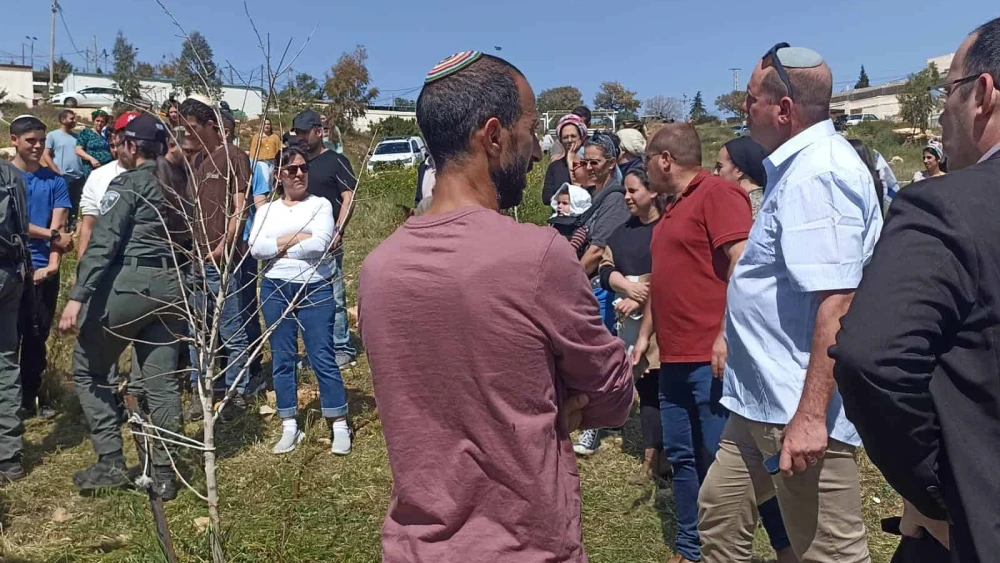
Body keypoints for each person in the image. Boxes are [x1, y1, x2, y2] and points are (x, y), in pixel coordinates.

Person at [358, 51, 633, 563]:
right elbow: (613, 394)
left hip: (417, 546)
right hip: (523, 544)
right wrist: (558, 405)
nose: (536, 152)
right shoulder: (537, 256)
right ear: (492, 135)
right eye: (530, 129)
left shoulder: (377, 270)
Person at [697, 44, 880, 563]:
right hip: (760, 399)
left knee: (828, 551)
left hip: (793, 405)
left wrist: (809, 417)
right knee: (722, 508)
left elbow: (837, 301)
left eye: (750, 98)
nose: (743, 109)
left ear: (783, 109)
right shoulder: (798, 168)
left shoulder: (819, 174)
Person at [831, 17, 1000, 563]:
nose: (943, 111)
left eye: (946, 90)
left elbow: (872, 360)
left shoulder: (947, 206)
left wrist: (939, 494)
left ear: (982, 94)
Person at [633, 123, 792, 563]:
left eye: (647, 159)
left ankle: (786, 545)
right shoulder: (671, 209)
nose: (644, 169)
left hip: (712, 358)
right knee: (683, 457)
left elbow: (744, 267)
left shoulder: (717, 195)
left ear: (665, 159)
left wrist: (726, 332)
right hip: (674, 359)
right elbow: (664, 280)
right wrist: (646, 334)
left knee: (735, 464)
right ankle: (691, 548)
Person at [57, 114, 190, 500]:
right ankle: (165, 473)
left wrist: (77, 297)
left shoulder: (128, 183)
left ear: (132, 146)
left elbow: (104, 242)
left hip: (129, 285)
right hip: (172, 288)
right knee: (161, 383)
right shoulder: (179, 185)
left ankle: (111, 462)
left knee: (89, 369)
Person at [250, 146, 350, 455]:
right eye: (292, 169)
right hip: (276, 289)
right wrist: (297, 238)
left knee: (322, 354)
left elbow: (320, 243)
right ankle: (289, 423)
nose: (299, 174)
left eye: (303, 168)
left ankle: (339, 422)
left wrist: (277, 246)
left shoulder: (320, 205)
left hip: (314, 287)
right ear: (279, 175)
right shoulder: (266, 210)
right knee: (282, 357)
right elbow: (255, 247)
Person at [178, 97, 253, 420]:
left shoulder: (234, 156)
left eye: (192, 127)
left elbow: (242, 205)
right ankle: (203, 389)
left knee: (231, 328)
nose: (186, 133)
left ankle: (238, 392)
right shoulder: (194, 161)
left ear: (211, 126)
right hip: (194, 257)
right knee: (199, 330)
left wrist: (225, 243)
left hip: (221, 260)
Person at [598, 168, 665, 480]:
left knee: (667, 391)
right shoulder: (623, 232)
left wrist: (642, 297)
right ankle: (653, 458)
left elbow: (671, 272)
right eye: (625, 191)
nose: (626, 197)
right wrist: (626, 287)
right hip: (631, 325)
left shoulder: (667, 229)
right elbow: (605, 266)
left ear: (652, 192)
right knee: (648, 389)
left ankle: (668, 456)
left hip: (664, 321)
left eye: (633, 191)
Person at [572, 130, 632, 456]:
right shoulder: (597, 195)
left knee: (598, 356)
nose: (589, 167)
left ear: (611, 162)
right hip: (593, 287)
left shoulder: (614, 199)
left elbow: (596, 251)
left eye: (595, 162)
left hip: (601, 289)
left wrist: (568, 279)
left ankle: (595, 426)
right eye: (585, 161)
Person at [9, 117, 73, 420]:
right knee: (9, 336)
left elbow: (59, 224)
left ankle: (29, 396)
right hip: (10, 268)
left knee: (37, 335)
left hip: (44, 268)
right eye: (30, 140)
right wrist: (50, 235)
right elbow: (16, 224)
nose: (37, 146)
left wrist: (50, 266)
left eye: (41, 141)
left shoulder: (55, 181)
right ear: (14, 140)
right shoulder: (5, 178)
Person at [292, 109, 358, 369]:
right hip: (300, 244)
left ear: (319, 132)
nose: (301, 138)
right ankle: (315, 350)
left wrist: (338, 231)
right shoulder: (298, 165)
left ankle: (341, 347)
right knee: (305, 298)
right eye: (297, 133)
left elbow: (348, 197)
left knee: (334, 296)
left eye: (305, 132)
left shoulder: (336, 161)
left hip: (328, 244)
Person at [0, 159, 30, 481]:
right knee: (6, 363)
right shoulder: (12, 175)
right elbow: (22, 226)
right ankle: (8, 459)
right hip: (10, 274)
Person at [78, 112, 137, 257]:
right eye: (123, 136)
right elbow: (88, 226)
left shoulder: (160, 173)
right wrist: (82, 269)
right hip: (106, 259)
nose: (129, 143)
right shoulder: (98, 176)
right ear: (114, 138)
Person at [42, 109, 85, 228]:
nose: (74, 121)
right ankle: (55, 229)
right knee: (60, 206)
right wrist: (56, 170)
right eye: (72, 118)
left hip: (78, 177)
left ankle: (71, 228)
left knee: (75, 204)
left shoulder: (77, 137)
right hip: (62, 176)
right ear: (63, 120)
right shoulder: (53, 135)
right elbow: (46, 154)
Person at [715, 136, 769, 216]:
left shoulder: (745, 208)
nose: (715, 173)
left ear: (739, 171)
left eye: (719, 167)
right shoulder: (768, 200)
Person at [542, 114, 587, 205]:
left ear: (581, 139)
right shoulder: (554, 167)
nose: (569, 140)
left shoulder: (588, 165)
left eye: (573, 136)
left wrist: (571, 160)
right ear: (561, 140)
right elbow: (546, 198)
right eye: (565, 137)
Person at [548, 183, 592, 252]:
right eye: (558, 203)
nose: (559, 206)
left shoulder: (579, 229)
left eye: (564, 203)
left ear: (576, 205)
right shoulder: (554, 224)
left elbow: (571, 251)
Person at [77, 109, 113, 177]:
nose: (99, 123)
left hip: (106, 169)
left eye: (102, 122)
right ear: (93, 121)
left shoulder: (105, 135)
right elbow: (78, 150)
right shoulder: (86, 132)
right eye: (97, 121)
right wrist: (91, 159)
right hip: (92, 169)